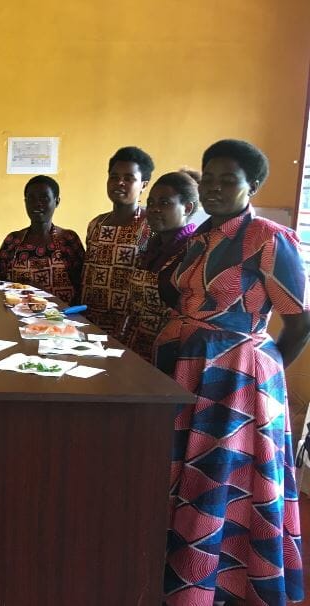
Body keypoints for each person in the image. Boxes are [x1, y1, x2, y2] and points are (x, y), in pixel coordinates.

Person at [155, 140, 309, 605]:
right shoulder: (201, 237)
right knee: (184, 474)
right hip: (188, 367)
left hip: (236, 380)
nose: (215, 188)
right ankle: (181, 575)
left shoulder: (268, 238)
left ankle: (216, 586)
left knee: (219, 477)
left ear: (253, 185)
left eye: (228, 180)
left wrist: (261, 369)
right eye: (209, 179)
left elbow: (300, 320)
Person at [117, 171, 199, 361]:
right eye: (151, 203)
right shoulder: (149, 249)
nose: (154, 209)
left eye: (164, 203)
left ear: (187, 208)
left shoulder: (193, 252)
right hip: (134, 348)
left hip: (168, 356)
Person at [80, 146, 154, 337]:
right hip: (90, 322)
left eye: (129, 178)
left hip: (130, 328)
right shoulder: (96, 223)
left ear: (144, 184)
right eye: (114, 177)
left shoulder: (151, 225)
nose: (119, 182)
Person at [0, 175, 84, 303]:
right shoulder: (13, 240)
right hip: (19, 316)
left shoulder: (68, 239)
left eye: (44, 198)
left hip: (62, 319)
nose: (37, 203)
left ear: (57, 201)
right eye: (31, 198)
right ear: (25, 202)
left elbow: (82, 283)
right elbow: (1, 284)